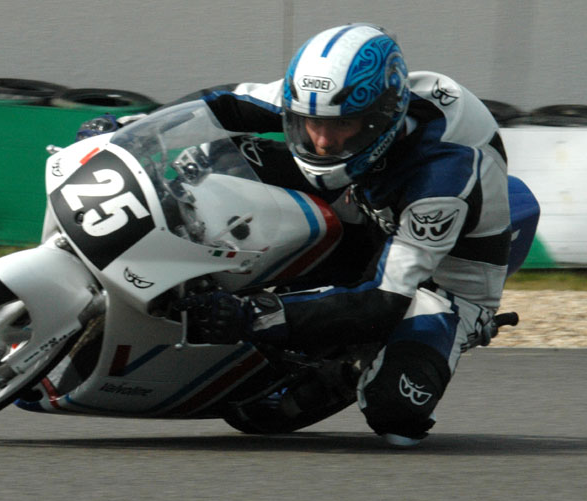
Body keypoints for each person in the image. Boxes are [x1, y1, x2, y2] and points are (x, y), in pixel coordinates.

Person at [83, 23, 513, 446]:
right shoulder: (332, 97)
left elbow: (384, 299)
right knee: (223, 156)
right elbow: (227, 105)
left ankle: (354, 365)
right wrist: (130, 133)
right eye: (309, 122)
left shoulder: (443, 179)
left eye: (341, 126)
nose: (322, 141)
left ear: (382, 116)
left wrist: (249, 314)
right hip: (370, 202)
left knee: (396, 414)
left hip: (438, 280)